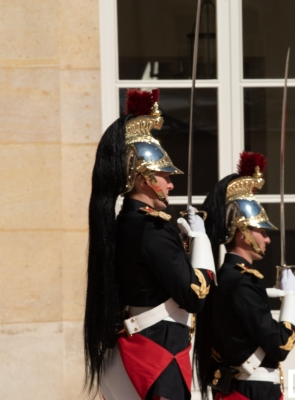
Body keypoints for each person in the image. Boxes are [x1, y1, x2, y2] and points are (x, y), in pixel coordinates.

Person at [84, 88, 216, 400]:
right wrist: (201, 243)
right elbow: (195, 296)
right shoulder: (153, 227)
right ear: (144, 179)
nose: (171, 183)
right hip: (159, 348)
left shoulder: (123, 223)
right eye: (165, 175)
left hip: (135, 344)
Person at [194, 152, 295, 400]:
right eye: (261, 231)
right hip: (252, 391)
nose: (267, 239)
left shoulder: (227, 277)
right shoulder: (243, 281)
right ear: (242, 233)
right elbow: (279, 346)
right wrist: (291, 299)